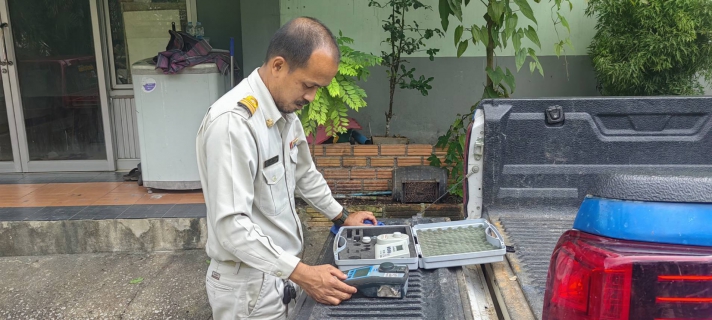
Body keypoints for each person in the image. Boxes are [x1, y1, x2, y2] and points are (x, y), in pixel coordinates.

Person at [195, 16, 378, 320]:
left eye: (318, 88)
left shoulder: (284, 111)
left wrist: (342, 216)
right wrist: (305, 275)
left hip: (280, 276)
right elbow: (231, 228)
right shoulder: (233, 124)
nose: (311, 97)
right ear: (278, 66)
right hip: (247, 288)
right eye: (308, 85)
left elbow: (304, 174)